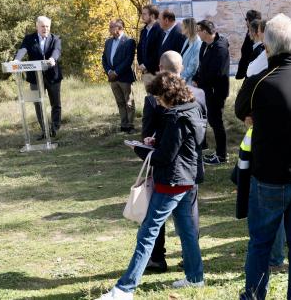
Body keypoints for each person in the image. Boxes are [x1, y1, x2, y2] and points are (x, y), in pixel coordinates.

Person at [235, 14, 291, 300]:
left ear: (267, 48)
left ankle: (254, 295)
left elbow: (241, 110)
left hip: (270, 177)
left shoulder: (260, 82)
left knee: (260, 243)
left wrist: (254, 117)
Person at [97, 72, 206, 300]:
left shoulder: (177, 117)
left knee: (147, 233)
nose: (157, 102)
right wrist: (156, 141)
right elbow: (179, 144)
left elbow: (165, 157)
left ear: (168, 94)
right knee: (187, 232)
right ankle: (195, 277)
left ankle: (125, 289)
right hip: (187, 180)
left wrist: (139, 149)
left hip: (172, 181)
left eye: (158, 97)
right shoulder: (191, 109)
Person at [141, 51, 207, 273]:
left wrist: (147, 154)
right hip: (192, 164)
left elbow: (147, 134)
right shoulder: (198, 94)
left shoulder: (153, 98)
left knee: (153, 220)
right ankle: (191, 260)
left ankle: (156, 258)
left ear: (161, 67)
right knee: (189, 217)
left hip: (167, 165)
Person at [14, 16, 62, 139]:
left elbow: (57, 50)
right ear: (37, 27)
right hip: (35, 77)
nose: (45, 28)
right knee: (38, 104)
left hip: (52, 76)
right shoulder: (29, 38)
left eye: (47, 26)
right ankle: (45, 130)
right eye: (42, 26)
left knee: (55, 103)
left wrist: (52, 59)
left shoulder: (55, 38)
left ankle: (55, 128)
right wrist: (16, 60)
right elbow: (22, 49)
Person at [193, 19, 230, 165]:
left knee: (216, 121)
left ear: (205, 31)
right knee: (212, 120)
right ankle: (218, 152)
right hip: (206, 89)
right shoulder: (204, 44)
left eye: (198, 30)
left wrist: (200, 82)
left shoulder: (220, 48)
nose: (197, 33)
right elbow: (202, 66)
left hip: (217, 91)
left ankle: (222, 155)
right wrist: (196, 78)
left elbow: (216, 72)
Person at [101, 19, 137, 133]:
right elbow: (104, 58)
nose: (109, 29)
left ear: (119, 27)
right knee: (120, 102)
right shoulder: (108, 42)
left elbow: (128, 60)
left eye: (112, 27)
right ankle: (124, 124)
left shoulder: (129, 41)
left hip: (124, 77)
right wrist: (109, 72)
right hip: (112, 78)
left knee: (128, 102)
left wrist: (116, 72)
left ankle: (130, 125)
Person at [137, 5, 164, 87]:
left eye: (145, 14)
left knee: (157, 97)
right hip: (145, 70)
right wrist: (141, 64)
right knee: (149, 97)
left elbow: (158, 51)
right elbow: (140, 49)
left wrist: (146, 65)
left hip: (156, 71)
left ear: (152, 16)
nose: (142, 16)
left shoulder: (160, 29)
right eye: (142, 14)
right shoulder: (144, 31)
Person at [236, 9, 262, 79]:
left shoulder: (253, 37)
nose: (246, 22)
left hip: (252, 75)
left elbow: (247, 55)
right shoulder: (255, 34)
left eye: (246, 19)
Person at [179, 18, 202, 84]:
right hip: (183, 78)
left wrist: (182, 77)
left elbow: (193, 66)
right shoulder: (187, 40)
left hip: (189, 81)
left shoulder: (198, 42)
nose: (181, 28)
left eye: (182, 26)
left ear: (188, 28)